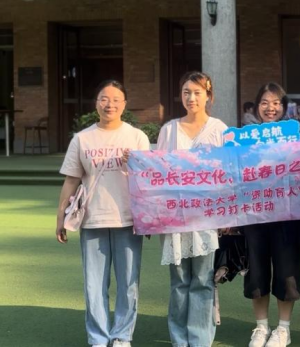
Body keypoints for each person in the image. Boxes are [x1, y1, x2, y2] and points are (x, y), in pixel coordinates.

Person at [56, 80, 150, 347]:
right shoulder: (82, 138)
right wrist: (60, 217)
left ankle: (122, 336)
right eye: (104, 99)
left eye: (116, 99)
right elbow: (71, 180)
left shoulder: (136, 137)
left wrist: (135, 164)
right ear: (96, 103)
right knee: (94, 284)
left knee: (128, 282)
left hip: (128, 218)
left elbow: (149, 178)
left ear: (125, 104)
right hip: (92, 218)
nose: (110, 104)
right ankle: (98, 338)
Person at [156, 71, 228, 347]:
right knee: (179, 280)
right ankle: (179, 338)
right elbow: (158, 172)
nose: (191, 98)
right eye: (186, 92)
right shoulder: (169, 130)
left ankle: (199, 339)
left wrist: (226, 214)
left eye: (197, 92)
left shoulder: (219, 129)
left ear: (208, 96)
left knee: (202, 278)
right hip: (175, 215)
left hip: (207, 216)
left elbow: (227, 173)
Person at [246, 83, 300, 347]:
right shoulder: (245, 138)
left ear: (284, 106)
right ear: (257, 107)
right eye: (265, 102)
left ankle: (283, 329)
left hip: (286, 215)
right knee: (256, 272)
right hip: (254, 215)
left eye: (276, 102)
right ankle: (261, 327)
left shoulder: (294, 138)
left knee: (286, 271)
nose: (271, 108)